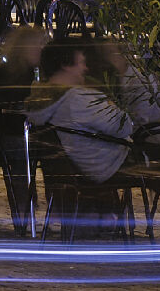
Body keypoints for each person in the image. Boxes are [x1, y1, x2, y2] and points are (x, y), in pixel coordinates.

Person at [28, 39, 136, 184]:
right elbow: (125, 126)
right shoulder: (78, 98)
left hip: (83, 166)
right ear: (66, 65)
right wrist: (110, 102)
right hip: (109, 164)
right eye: (81, 63)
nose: (85, 68)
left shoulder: (43, 102)